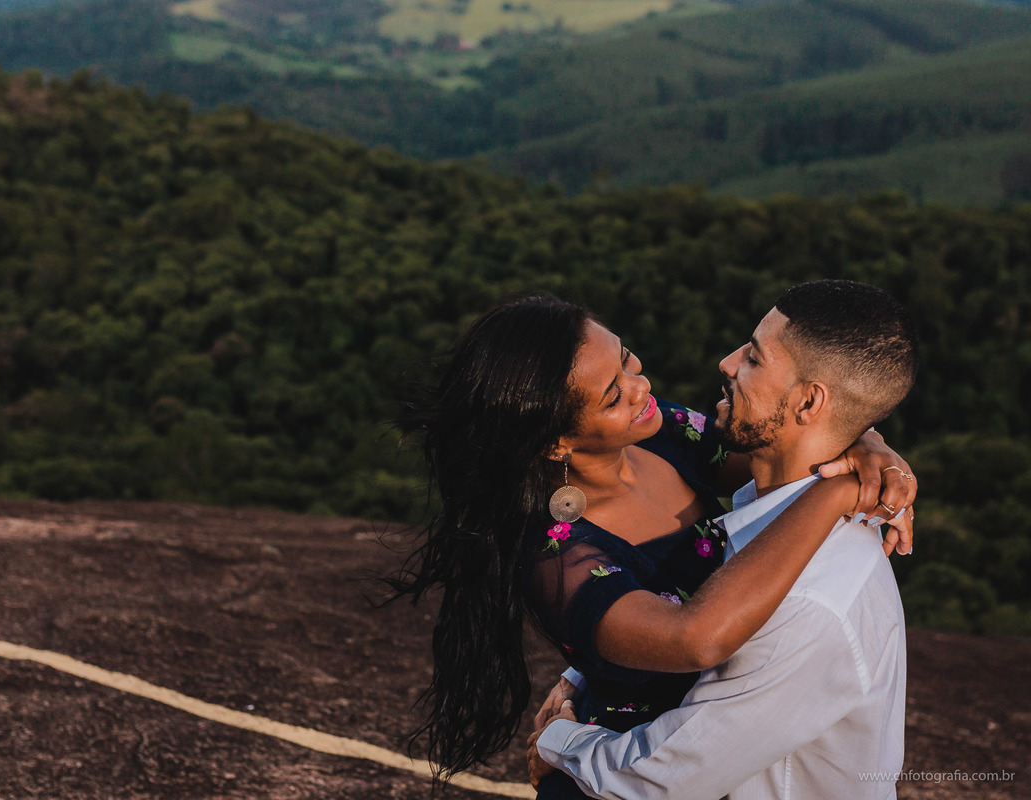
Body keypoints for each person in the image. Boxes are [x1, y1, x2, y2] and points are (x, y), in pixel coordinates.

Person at [388, 289, 916, 791]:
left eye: (628, 361)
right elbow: (693, 639)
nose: (641, 389)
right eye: (614, 395)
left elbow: (779, 443)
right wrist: (836, 494)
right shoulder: (558, 553)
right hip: (620, 766)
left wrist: (864, 437)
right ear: (555, 442)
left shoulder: (657, 433)